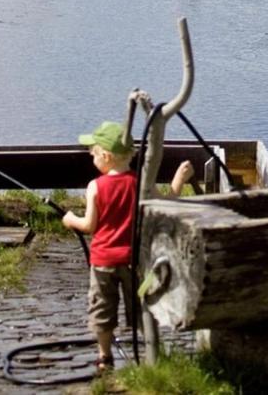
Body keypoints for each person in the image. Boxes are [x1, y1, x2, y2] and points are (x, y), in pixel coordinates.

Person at [62, 121, 193, 375]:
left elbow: (89, 225)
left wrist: (70, 220)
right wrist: (178, 180)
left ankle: (104, 356)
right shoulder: (140, 183)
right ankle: (150, 351)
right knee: (142, 307)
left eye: (93, 152)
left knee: (101, 308)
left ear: (106, 156)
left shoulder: (95, 187)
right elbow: (166, 202)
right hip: (136, 262)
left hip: (103, 262)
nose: (91, 156)